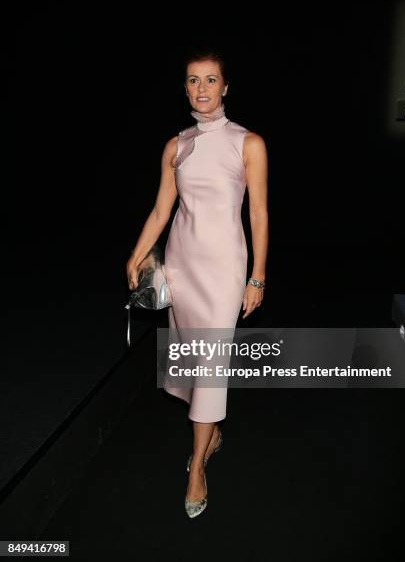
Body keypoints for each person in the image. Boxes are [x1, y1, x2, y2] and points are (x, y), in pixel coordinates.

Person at [126, 48, 268, 518]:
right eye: (193, 80)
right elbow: (162, 210)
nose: (202, 88)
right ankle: (211, 435)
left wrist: (257, 277)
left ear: (226, 87)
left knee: (211, 365)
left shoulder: (248, 143)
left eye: (211, 80)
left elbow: (259, 214)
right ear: (185, 87)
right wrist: (138, 252)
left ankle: (196, 470)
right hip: (183, 266)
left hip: (225, 269)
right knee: (192, 363)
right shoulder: (176, 144)